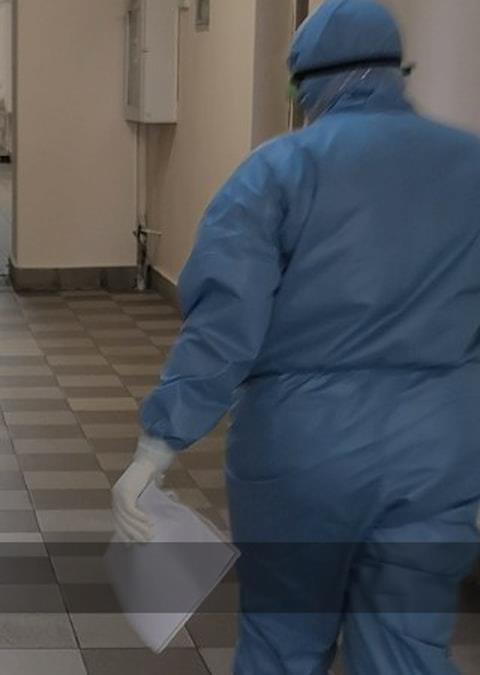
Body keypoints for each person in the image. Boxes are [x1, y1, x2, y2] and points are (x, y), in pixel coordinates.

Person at [111, 0, 480, 672]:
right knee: (407, 649)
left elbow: (224, 326)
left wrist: (158, 445)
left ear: (306, 84)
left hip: (303, 449)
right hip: (439, 449)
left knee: (283, 642)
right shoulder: (470, 164)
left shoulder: (275, 171)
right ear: (397, 72)